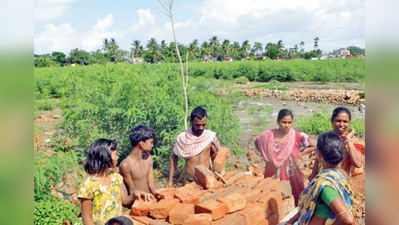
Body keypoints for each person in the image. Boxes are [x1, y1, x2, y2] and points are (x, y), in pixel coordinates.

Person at [287, 132, 356, 225]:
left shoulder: (325, 185)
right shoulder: (342, 174)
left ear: (319, 156)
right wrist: (290, 221)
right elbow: (308, 204)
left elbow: (346, 218)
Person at [78, 139, 147, 225]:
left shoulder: (116, 178)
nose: (117, 157)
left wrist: (134, 195)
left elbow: (124, 201)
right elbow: (86, 218)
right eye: (115, 154)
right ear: (105, 156)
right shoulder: (88, 186)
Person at [255, 109, 316, 205]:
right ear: (278, 121)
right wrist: (265, 154)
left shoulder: (297, 135)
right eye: (283, 122)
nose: (286, 125)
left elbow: (314, 145)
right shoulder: (268, 135)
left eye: (289, 122)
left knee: (296, 199)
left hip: (292, 174)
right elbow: (257, 142)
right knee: (272, 199)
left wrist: (301, 153)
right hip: (272, 173)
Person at [166, 106, 220, 188]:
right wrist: (170, 181)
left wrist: (217, 173)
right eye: (197, 125)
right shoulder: (183, 138)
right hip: (189, 180)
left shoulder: (209, 136)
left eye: (203, 125)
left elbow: (215, 156)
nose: (201, 128)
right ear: (191, 121)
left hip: (207, 178)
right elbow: (174, 159)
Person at [310, 107, 365, 181]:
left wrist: (348, 140)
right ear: (332, 121)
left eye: (345, 121)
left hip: (341, 183)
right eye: (338, 121)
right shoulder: (326, 139)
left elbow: (358, 163)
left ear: (349, 123)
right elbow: (317, 160)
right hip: (322, 179)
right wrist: (312, 179)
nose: (341, 124)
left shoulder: (353, 142)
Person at [119, 125, 157, 203]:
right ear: (141, 144)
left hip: (150, 200)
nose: (152, 145)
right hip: (137, 203)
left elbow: (151, 185)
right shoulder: (125, 165)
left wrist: (160, 196)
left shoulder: (149, 158)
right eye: (151, 142)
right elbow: (132, 191)